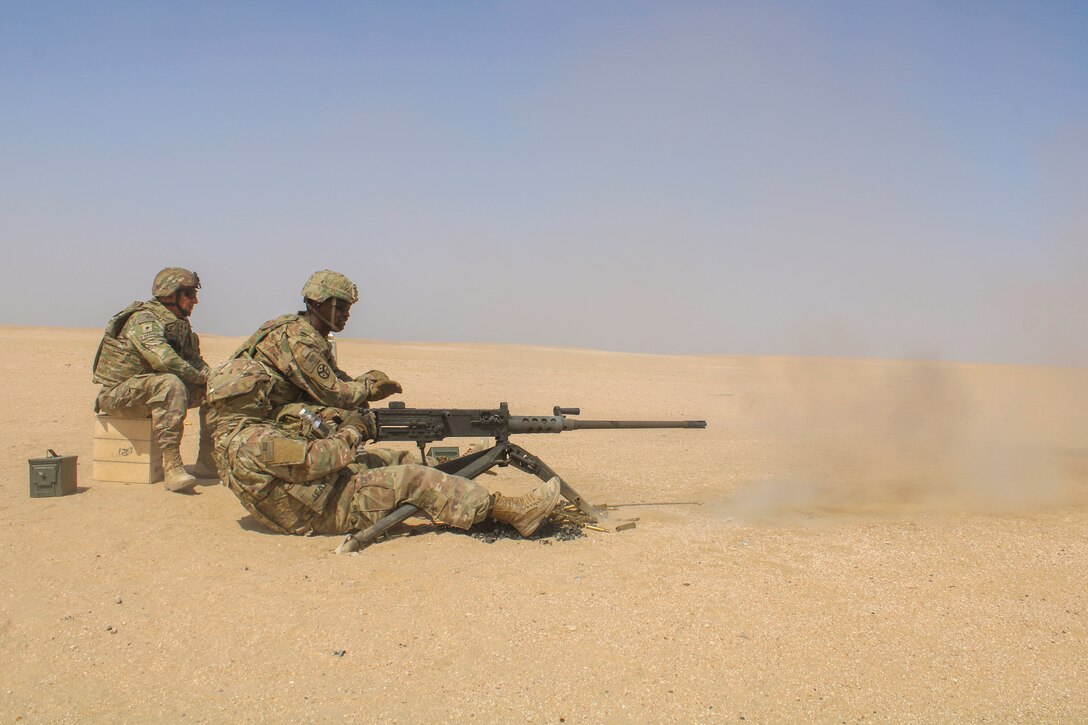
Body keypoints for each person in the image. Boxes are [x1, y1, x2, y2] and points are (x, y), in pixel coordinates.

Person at [206, 377, 561, 537]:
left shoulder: (229, 436)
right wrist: (355, 430)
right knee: (412, 479)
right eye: (260, 392)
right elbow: (320, 460)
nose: (266, 396)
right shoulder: (256, 440)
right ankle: (515, 512)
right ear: (245, 398)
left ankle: (450, 476)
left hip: (308, 502)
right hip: (328, 511)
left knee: (391, 458)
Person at [92, 267, 213, 492]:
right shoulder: (144, 319)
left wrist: (214, 379)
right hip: (119, 396)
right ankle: (172, 466)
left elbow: (194, 361)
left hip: (149, 392)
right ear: (170, 294)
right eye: (189, 293)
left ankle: (207, 462)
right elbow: (164, 361)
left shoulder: (178, 323)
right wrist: (198, 377)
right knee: (170, 383)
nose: (195, 301)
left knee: (215, 391)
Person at [227, 269, 402, 414]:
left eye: (348, 309)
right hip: (242, 424)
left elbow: (334, 377)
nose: (347, 314)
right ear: (316, 303)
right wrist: (367, 386)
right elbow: (334, 394)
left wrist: (367, 384)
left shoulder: (314, 338)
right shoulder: (298, 339)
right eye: (340, 307)